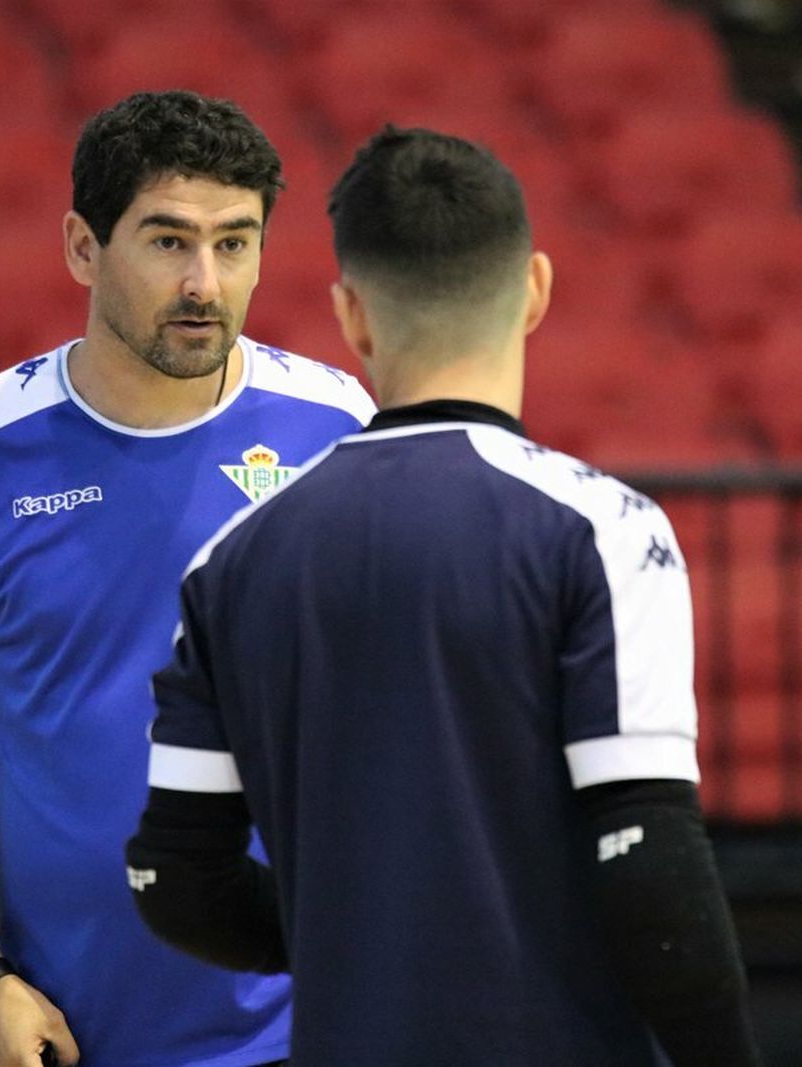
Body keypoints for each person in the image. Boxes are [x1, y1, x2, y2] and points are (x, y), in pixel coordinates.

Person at [125, 127, 762, 1066]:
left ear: (353, 317)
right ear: (535, 289)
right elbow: (651, 866)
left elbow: (175, 877)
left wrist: (360, 947)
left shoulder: (231, 559)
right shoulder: (602, 530)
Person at [0, 90, 374, 1067]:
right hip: (74, 1031)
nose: (204, 282)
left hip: (315, 1019)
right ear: (82, 247)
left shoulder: (337, 424)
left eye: (235, 243)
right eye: (168, 241)